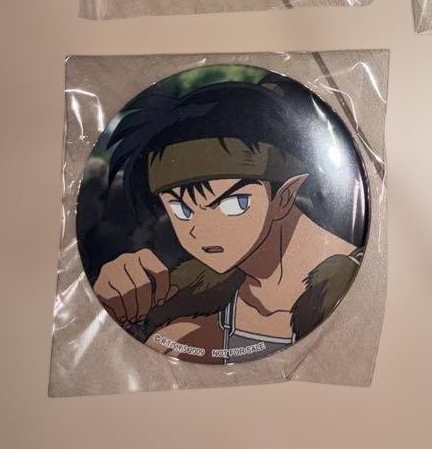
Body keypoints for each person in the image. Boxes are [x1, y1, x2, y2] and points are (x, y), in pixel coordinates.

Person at [90, 76, 364, 364]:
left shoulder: (350, 290)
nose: (198, 230)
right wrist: (125, 312)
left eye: (233, 203)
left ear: (284, 196)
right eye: (181, 210)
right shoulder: (188, 308)